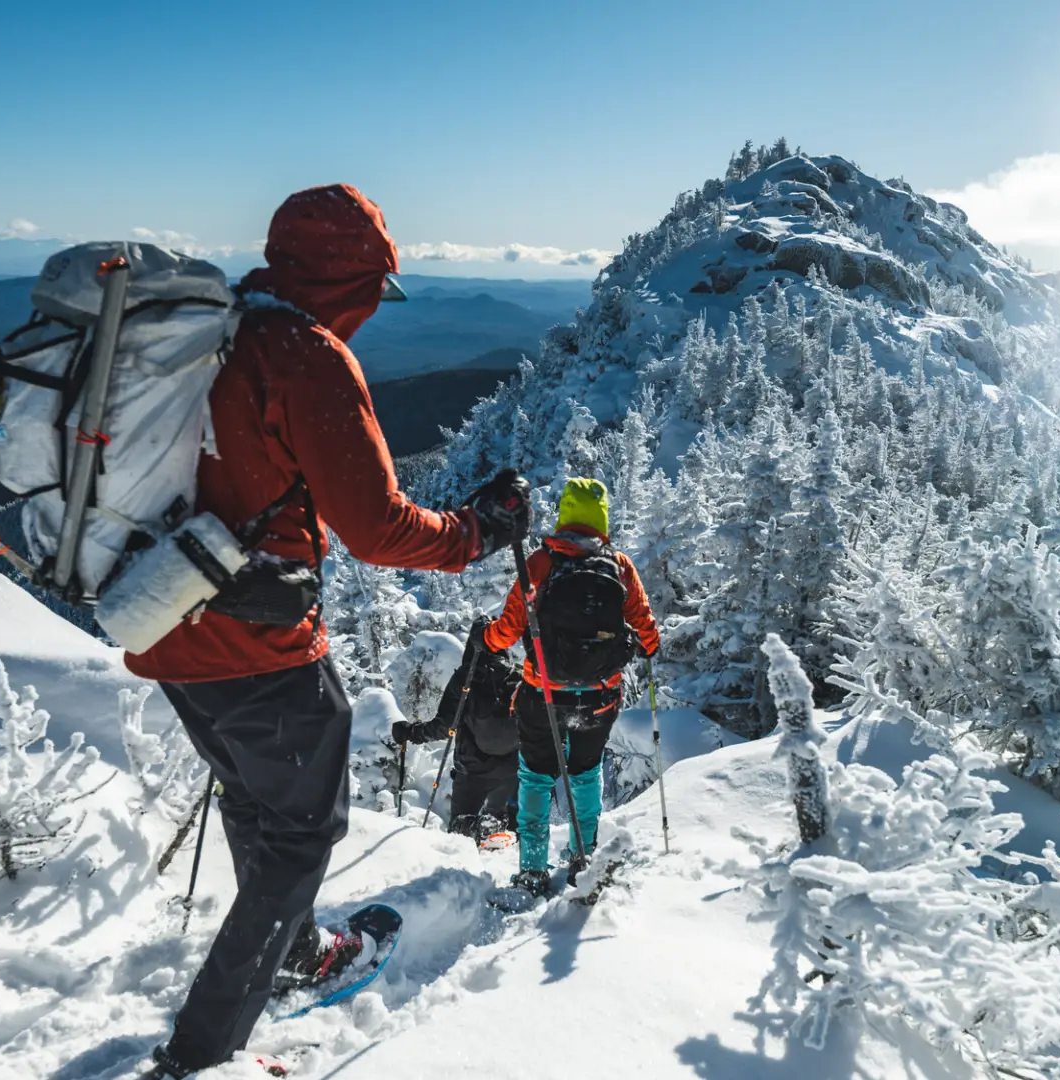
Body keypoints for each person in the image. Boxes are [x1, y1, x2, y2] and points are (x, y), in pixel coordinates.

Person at [124, 184, 530, 1079]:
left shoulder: (215, 329)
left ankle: (296, 951)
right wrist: (480, 533)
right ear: (352, 282)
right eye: (376, 292)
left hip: (163, 620)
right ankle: (203, 1054)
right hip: (256, 642)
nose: (376, 312)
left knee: (255, 801)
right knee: (302, 836)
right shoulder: (305, 357)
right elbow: (377, 530)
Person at [481, 478, 661, 896]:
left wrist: (486, 640)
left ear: (565, 515)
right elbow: (646, 628)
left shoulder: (541, 564)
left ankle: (531, 870)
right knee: (584, 774)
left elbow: (507, 630)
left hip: (542, 693)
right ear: (602, 519)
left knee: (536, 777)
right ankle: (586, 859)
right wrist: (647, 645)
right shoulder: (618, 565)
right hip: (599, 696)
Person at [391, 616, 524, 843]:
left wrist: (410, 733)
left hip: (473, 768)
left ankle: (480, 830)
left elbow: (444, 727)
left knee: (459, 825)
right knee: (505, 817)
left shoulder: (466, 678)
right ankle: (500, 836)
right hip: (512, 766)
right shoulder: (517, 675)